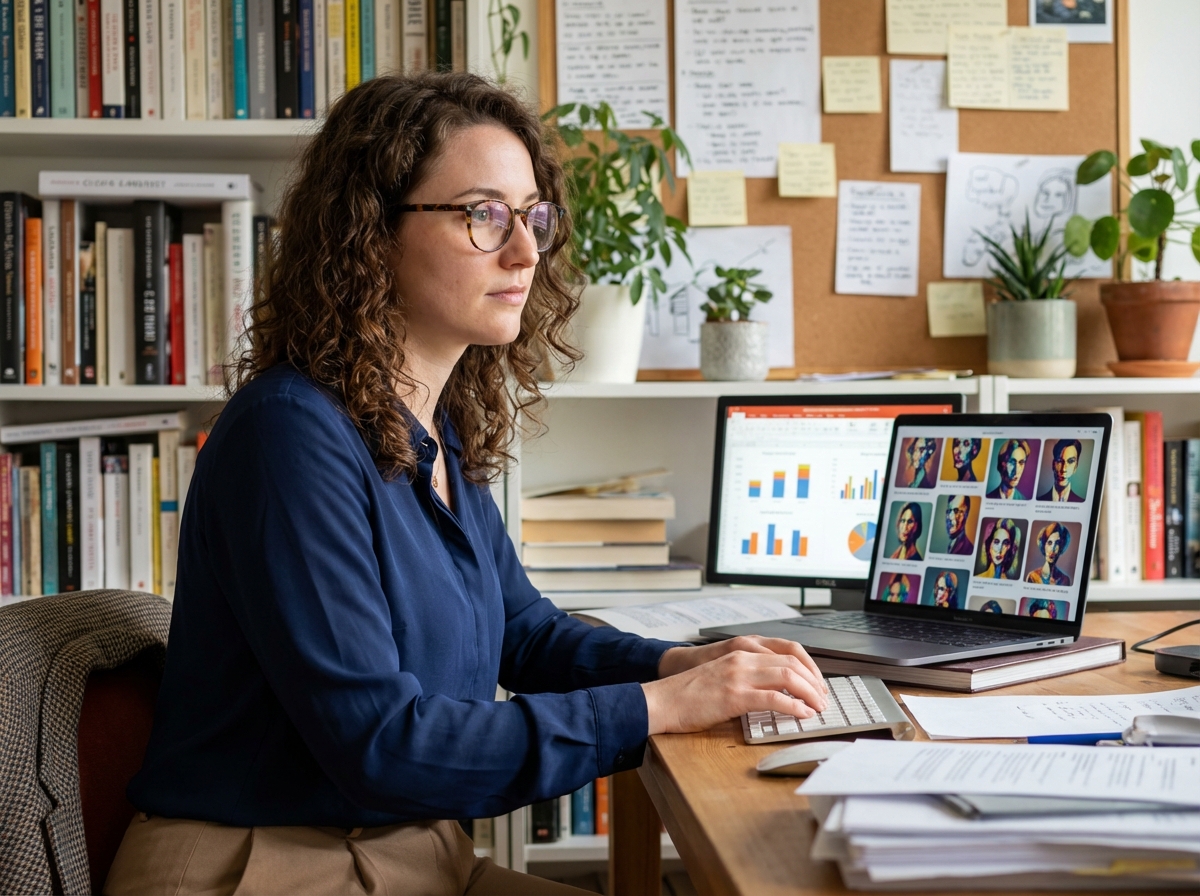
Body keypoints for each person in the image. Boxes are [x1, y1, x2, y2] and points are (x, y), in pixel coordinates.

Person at [104, 73, 829, 896]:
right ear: (372, 232)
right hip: (264, 867)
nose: (525, 252)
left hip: (408, 856)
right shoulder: (287, 435)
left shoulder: (433, 426)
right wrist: (661, 707)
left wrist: (680, 664)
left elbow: (525, 634)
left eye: (532, 217)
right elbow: (384, 746)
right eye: (484, 215)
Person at [1026, 521, 1074, 586]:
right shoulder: (1032, 577)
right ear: (1044, 545)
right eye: (1049, 543)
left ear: (1062, 547)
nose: (1052, 548)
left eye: (1057, 543)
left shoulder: (1065, 580)